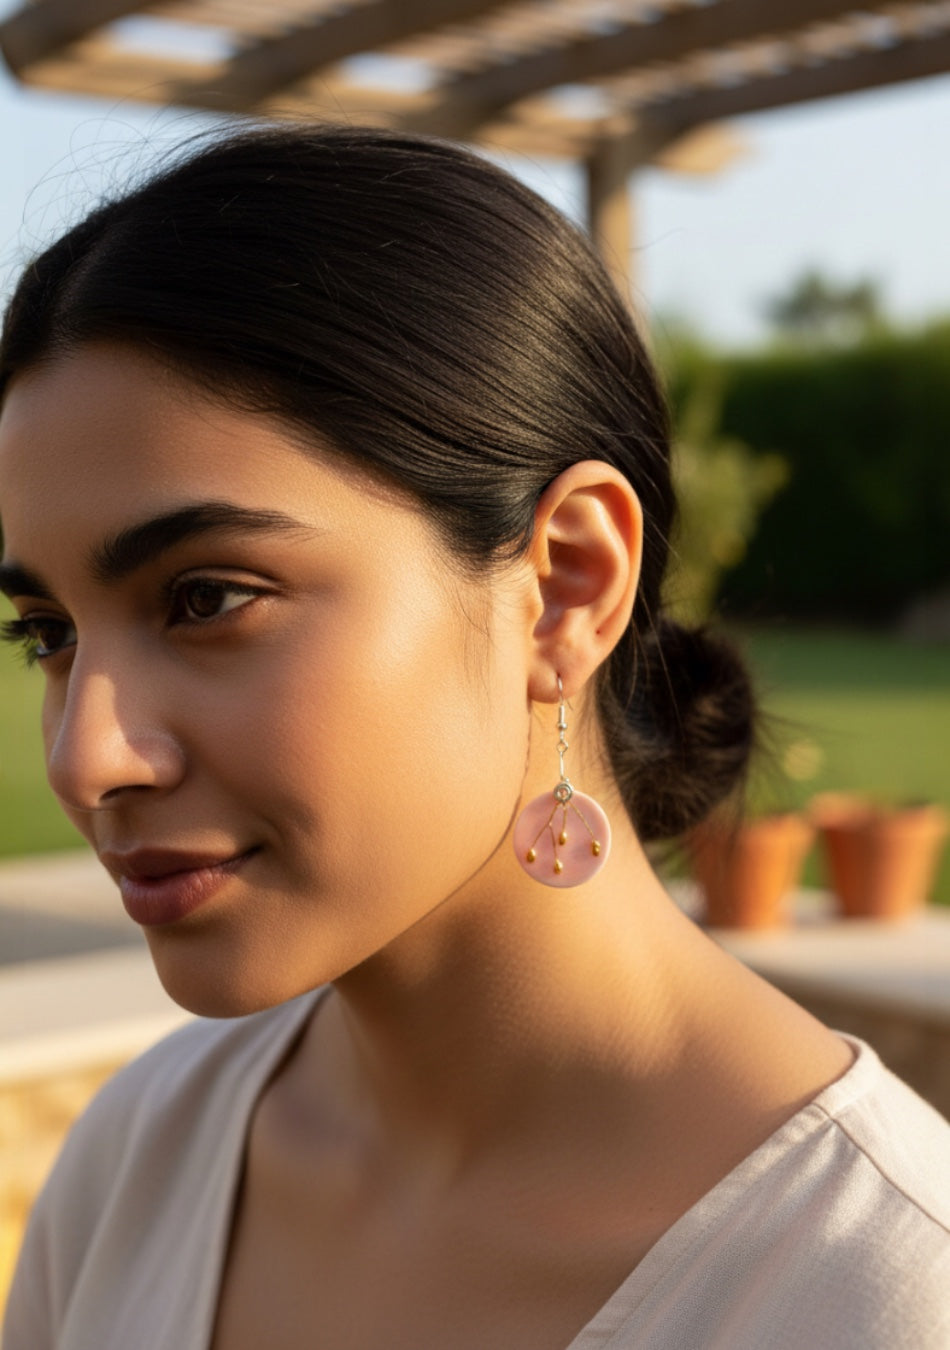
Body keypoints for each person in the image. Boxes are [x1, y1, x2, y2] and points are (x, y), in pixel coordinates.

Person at [0, 123, 947, 1350]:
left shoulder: (880, 1296)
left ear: (563, 586)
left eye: (209, 597)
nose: (86, 757)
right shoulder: (139, 1159)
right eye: (47, 632)